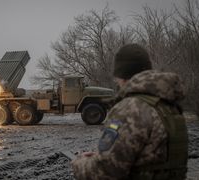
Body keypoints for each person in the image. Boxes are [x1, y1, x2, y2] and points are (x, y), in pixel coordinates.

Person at [71, 44, 188, 180]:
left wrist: (79, 164)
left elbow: (106, 172)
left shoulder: (130, 108)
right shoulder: (170, 106)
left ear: (121, 75)